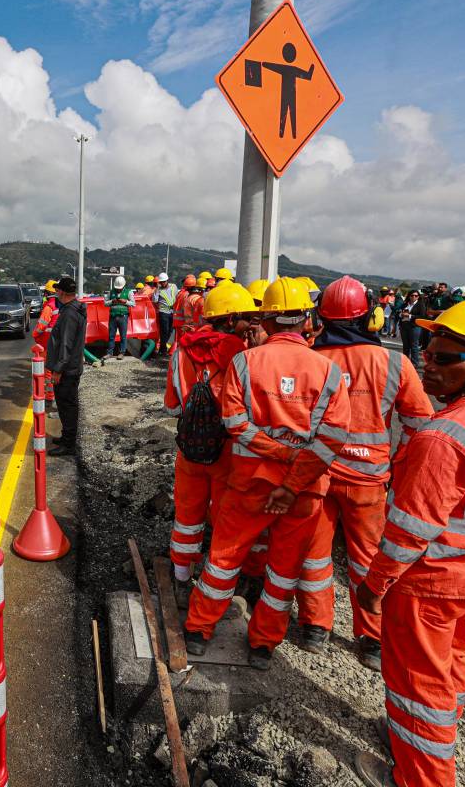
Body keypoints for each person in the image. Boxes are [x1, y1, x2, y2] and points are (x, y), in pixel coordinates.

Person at [353, 296, 465, 787]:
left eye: (444, 359)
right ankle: (420, 735)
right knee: (448, 668)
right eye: (428, 352)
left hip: (430, 585)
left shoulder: (445, 438)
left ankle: (420, 773)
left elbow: (406, 533)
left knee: (417, 687)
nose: (429, 364)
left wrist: (373, 586)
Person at [184, 277, 350, 671]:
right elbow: (333, 438)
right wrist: (293, 473)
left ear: (268, 321)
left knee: (224, 558)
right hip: (303, 493)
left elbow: (235, 422)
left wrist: (276, 454)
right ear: (307, 321)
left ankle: (197, 630)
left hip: (250, 483)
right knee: (283, 571)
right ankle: (262, 645)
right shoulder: (328, 371)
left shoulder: (246, 361)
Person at [293, 277, 433, 671]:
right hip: (370, 480)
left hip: (317, 474)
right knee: (369, 561)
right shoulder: (394, 362)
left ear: (321, 315)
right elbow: (420, 423)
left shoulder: (310, 358)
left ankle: (314, 627)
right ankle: (371, 638)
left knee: (314, 555)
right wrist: (399, 465)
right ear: (368, 316)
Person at [164, 282, 256, 607]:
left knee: (187, 514)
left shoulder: (180, 351)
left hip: (189, 447)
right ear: (231, 319)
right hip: (227, 451)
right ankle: (216, 580)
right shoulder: (242, 354)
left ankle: (180, 577)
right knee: (224, 517)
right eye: (245, 317)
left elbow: (172, 406)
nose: (250, 323)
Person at [46, 277, 87, 456]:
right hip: (70, 367)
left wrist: (58, 370)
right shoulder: (73, 309)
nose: (56, 293)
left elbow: (66, 345)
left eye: (57, 290)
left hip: (67, 370)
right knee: (66, 405)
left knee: (67, 406)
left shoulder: (70, 313)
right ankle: (66, 438)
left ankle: (69, 444)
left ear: (62, 292)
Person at [104, 276, 134, 360]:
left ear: (124, 286)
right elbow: (105, 303)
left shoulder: (129, 292)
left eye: (120, 288)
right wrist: (112, 301)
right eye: (117, 288)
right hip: (113, 316)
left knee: (123, 336)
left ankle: (122, 352)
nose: (118, 290)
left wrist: (126, 301)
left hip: (123, 317)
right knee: (111, 336)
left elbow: (133, 304)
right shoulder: (111, 292)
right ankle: (109, 353)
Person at [152, 273, 180, 355]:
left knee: (170, 330)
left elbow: (177, 296)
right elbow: (155, 300)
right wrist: (156, 290)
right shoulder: (158, 290)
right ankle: (163, 350)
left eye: (164, 282)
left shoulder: (174, 286)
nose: (162, 283)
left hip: (172, 312)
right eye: (161, 282)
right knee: (164, 331)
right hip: (163, 312)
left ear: (167, 280)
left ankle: (162, 347)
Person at [397, 289, 424, 368]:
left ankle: (414, 363)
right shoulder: (405, 304)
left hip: (414, 326)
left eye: (416, 296)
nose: (414, 297)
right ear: (409, 296)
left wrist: (410, 316)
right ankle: (404, 362)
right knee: (406, 345)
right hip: (404, 325)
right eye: (412, 295)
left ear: (418, 297)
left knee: (414, 345)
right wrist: (400, 314)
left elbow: (422, 316)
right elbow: (398, 312)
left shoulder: (420, 305)